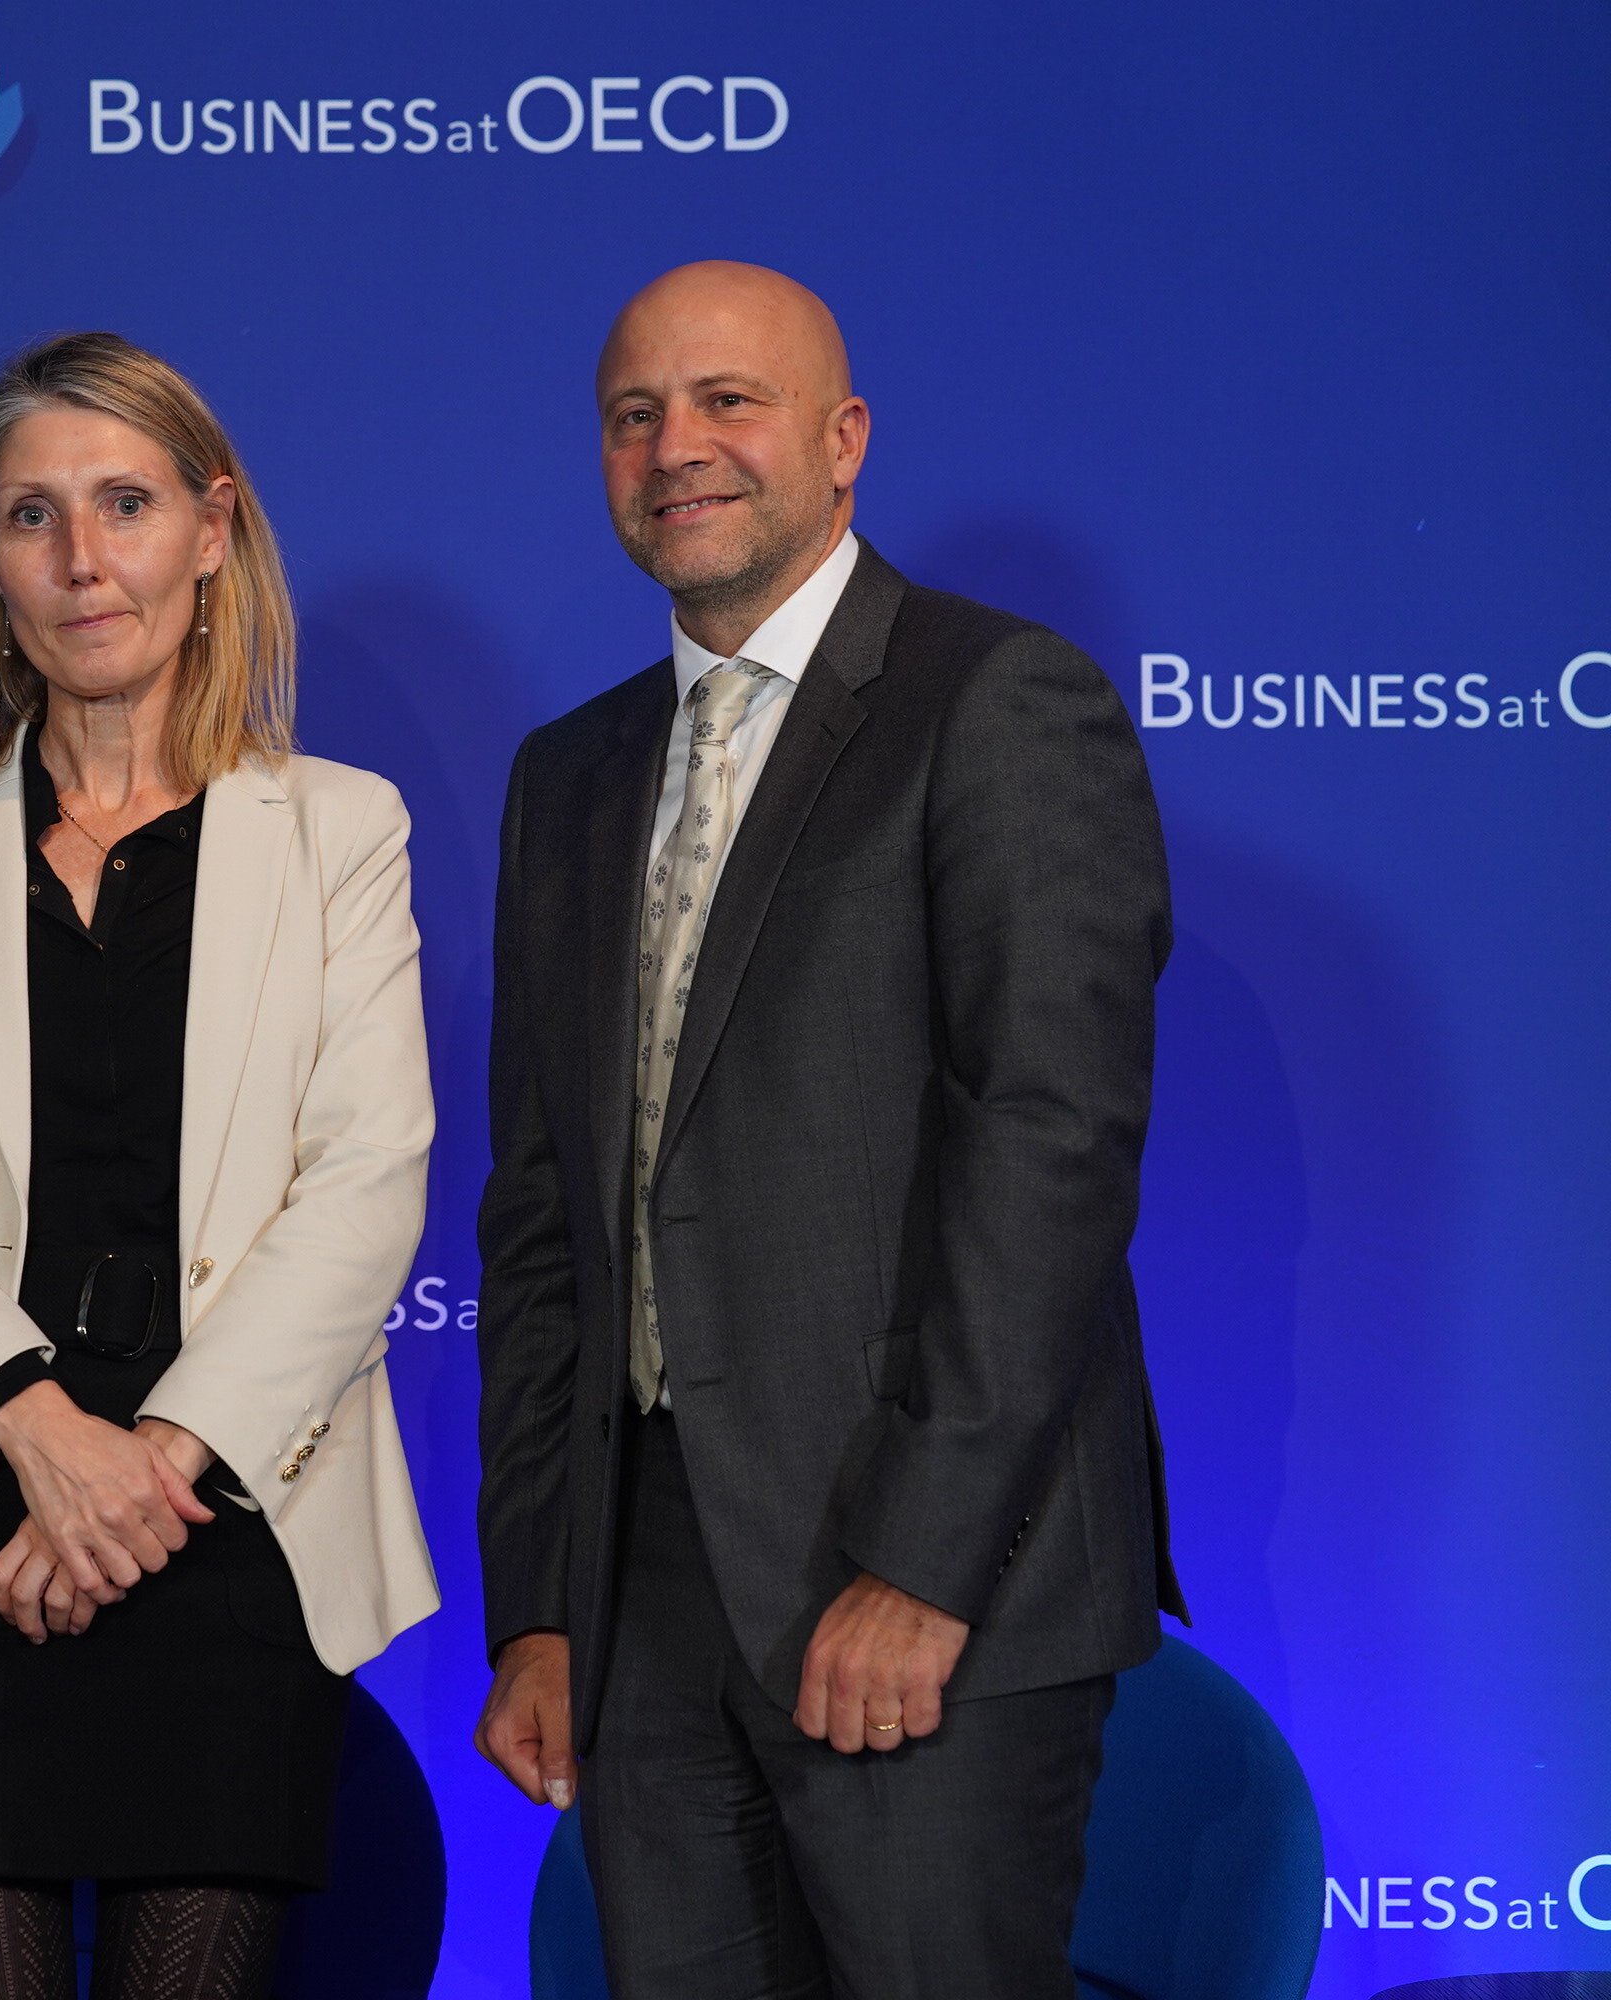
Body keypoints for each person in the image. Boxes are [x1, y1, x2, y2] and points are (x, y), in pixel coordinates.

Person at [471, 263, 1185, 1996]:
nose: (678, 447)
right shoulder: (570, 774)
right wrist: (547, 1604)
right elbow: (548, 1211)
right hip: (641, 1612)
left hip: (921, 1588)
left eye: (731, 402)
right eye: (636, 414)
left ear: (844, 439)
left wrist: (919, 1566)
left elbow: (1050, 1154)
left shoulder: (999, 702)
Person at [0, 332, 439, 2000]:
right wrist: (39, 1429)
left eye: (124, 504)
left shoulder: (340, 826)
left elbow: (366, 1185)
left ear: (212, 531)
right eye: (31, 516)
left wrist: (152, 1468)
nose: (81, 561)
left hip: (224, 1514)